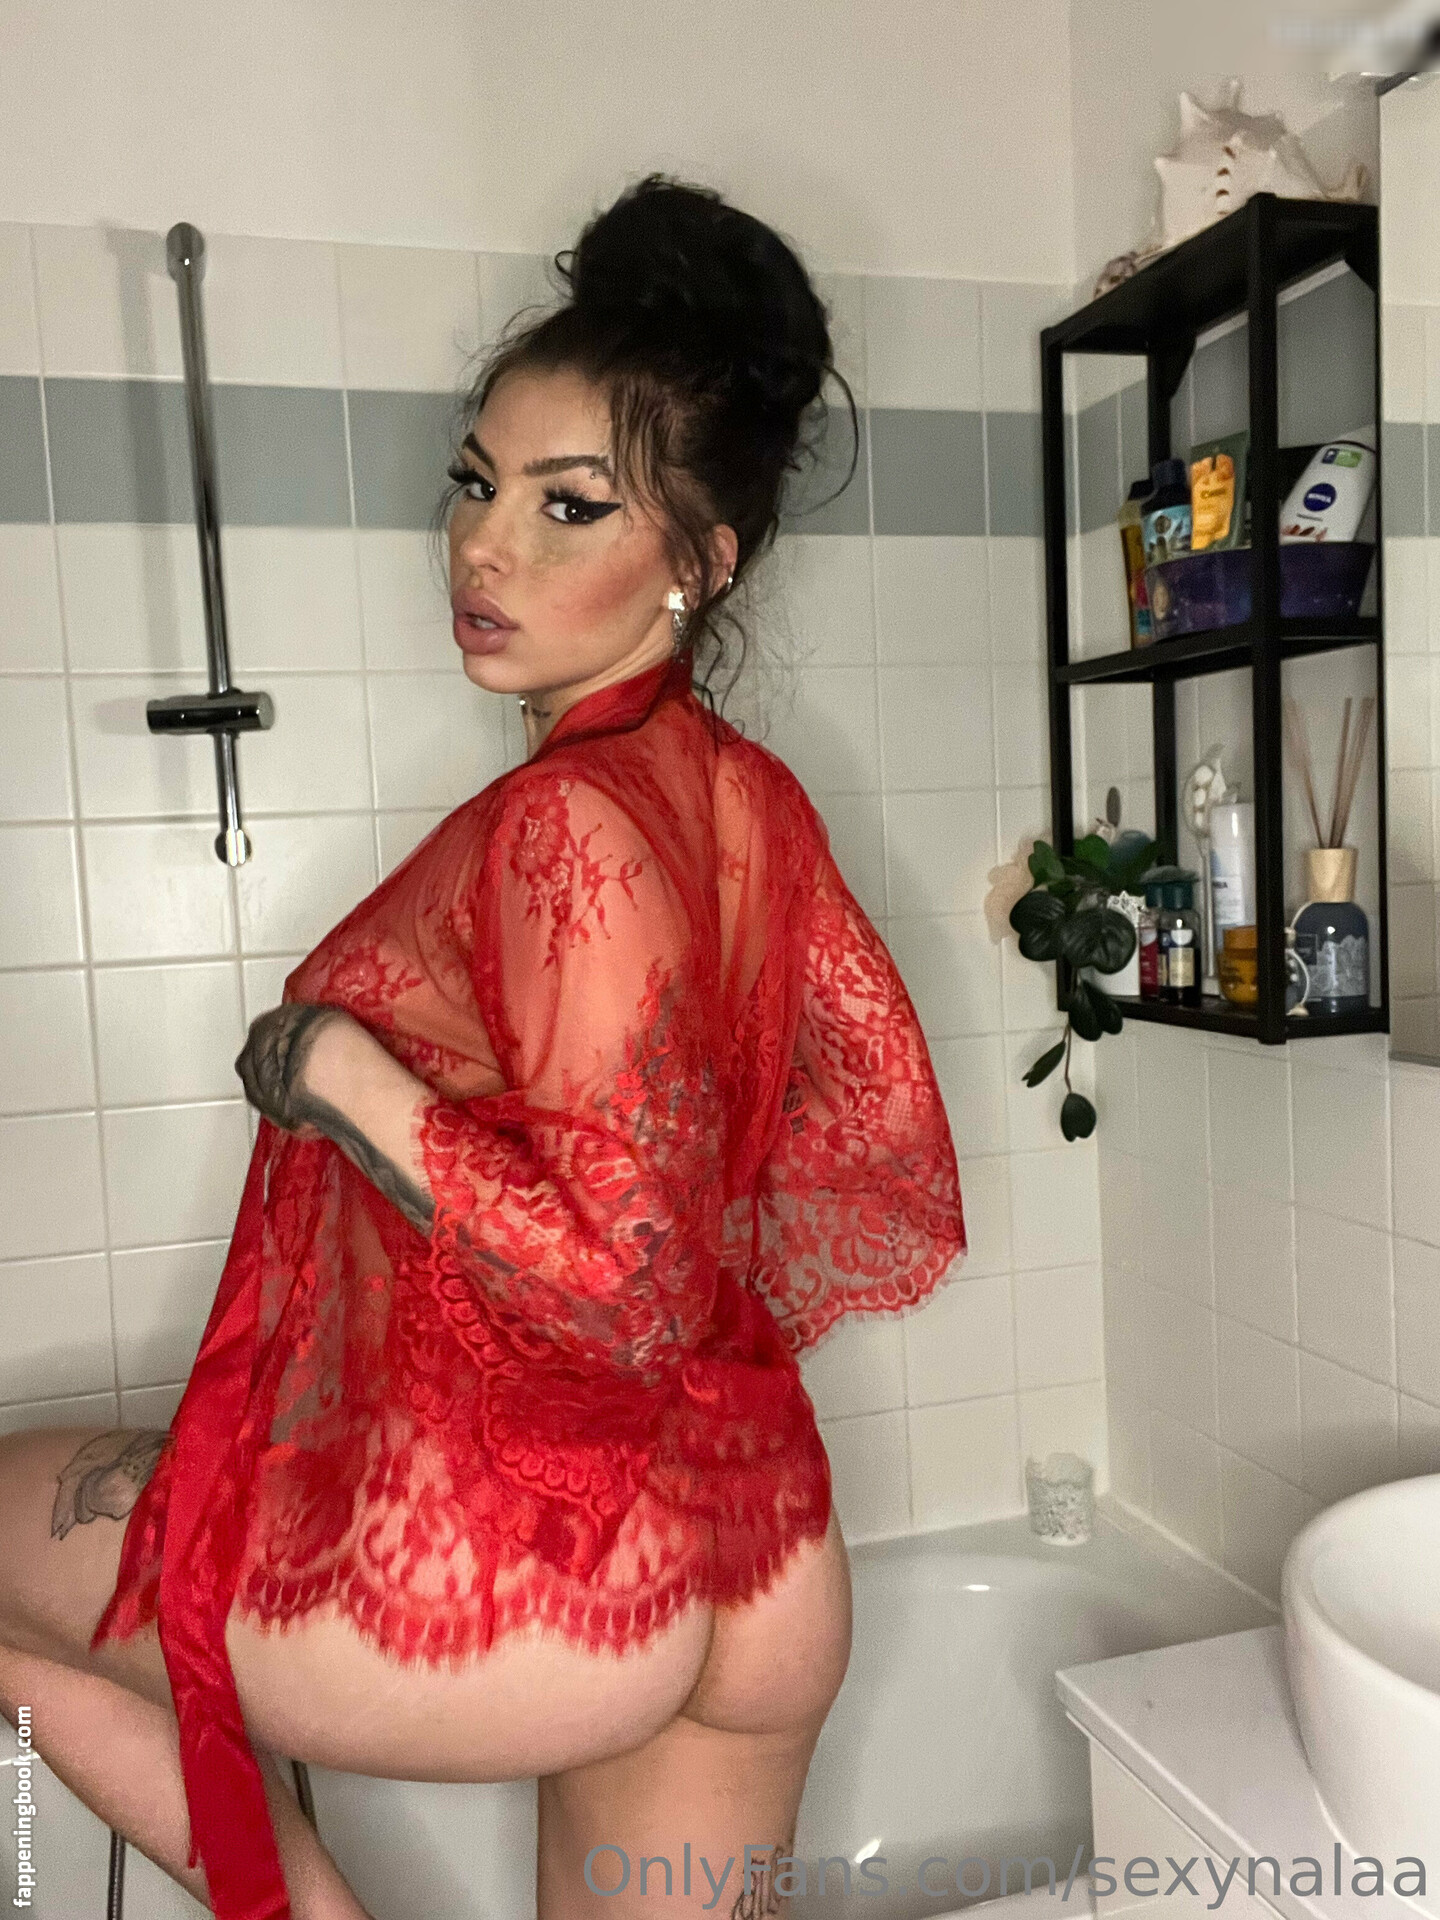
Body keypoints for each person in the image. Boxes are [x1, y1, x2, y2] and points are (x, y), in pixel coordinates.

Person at [0, 175, 965, 1920]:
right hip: (761, 1534)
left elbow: (620, 1268)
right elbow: (859, 1106)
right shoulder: (747, 802)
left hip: (565, 1571)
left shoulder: (564, 823)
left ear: (703, 563)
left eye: (567, 505)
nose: (482, 547)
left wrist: (344, 1075)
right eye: (474, 483)